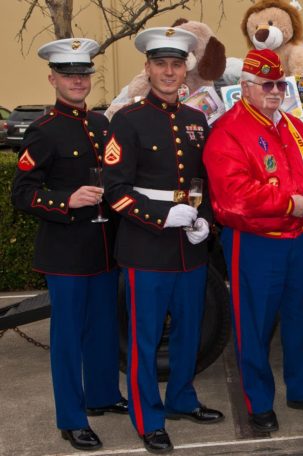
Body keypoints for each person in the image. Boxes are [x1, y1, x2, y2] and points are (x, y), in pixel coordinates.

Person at [103, 27, 224, 454]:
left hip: (188, 250)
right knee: (145, 339)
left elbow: (203, 183)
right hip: (146, 249)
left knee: (190, 332)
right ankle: (148, 417)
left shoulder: (196, 121)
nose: (169, 72)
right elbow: (114, 190)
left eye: (176, 64)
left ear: (185, 70)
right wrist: (160, 215)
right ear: (149, 69)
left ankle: (181, 400)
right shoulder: (128, 120)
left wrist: (204, 220)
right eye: (161, 64)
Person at [203, 48, 303, 433]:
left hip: (296, 240)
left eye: (279, 83)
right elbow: (232, 198)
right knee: (254, 327)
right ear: (245, 87)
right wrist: (287, 202)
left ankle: (302, 390)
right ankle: (258, 403)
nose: (275, 91)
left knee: (299, 320)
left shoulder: (293, 124)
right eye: (266, 85)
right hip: (254, 242)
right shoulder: (228, 131)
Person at [11, 37, 126, 452]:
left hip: (103, 247)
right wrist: (65, 200)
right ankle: (71, 418)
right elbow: (21, 193)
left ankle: (102, 396)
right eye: (68, 74)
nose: (78, 81)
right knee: (67, 338)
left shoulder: (101, 124)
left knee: (103, 330)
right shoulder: (43, 131)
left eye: (83, 74)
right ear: (53, 78)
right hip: (65, 252)